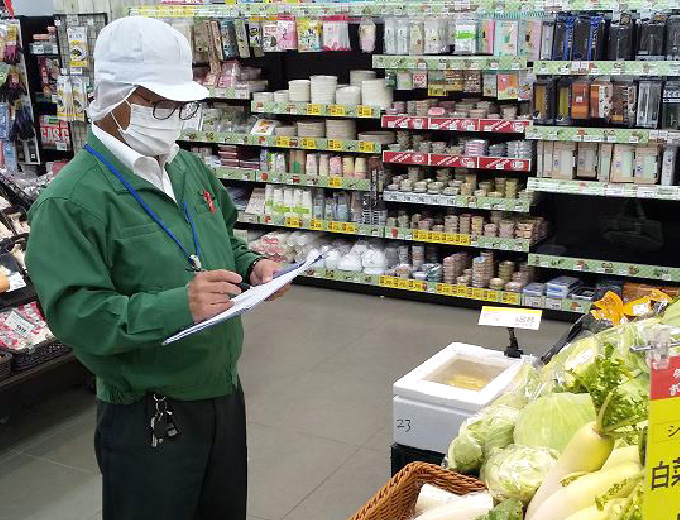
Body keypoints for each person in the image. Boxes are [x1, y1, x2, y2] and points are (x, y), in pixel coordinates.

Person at [25, 16, 287, 520]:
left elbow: (220, 241)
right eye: (157, 102)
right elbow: (76, 315)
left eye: (178, 103)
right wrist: (176, 306)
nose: (171, 114)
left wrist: (252, 267)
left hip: (222, 390)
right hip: (149, 410)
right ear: (114, 96)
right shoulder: (72, 200)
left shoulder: (183, 166)